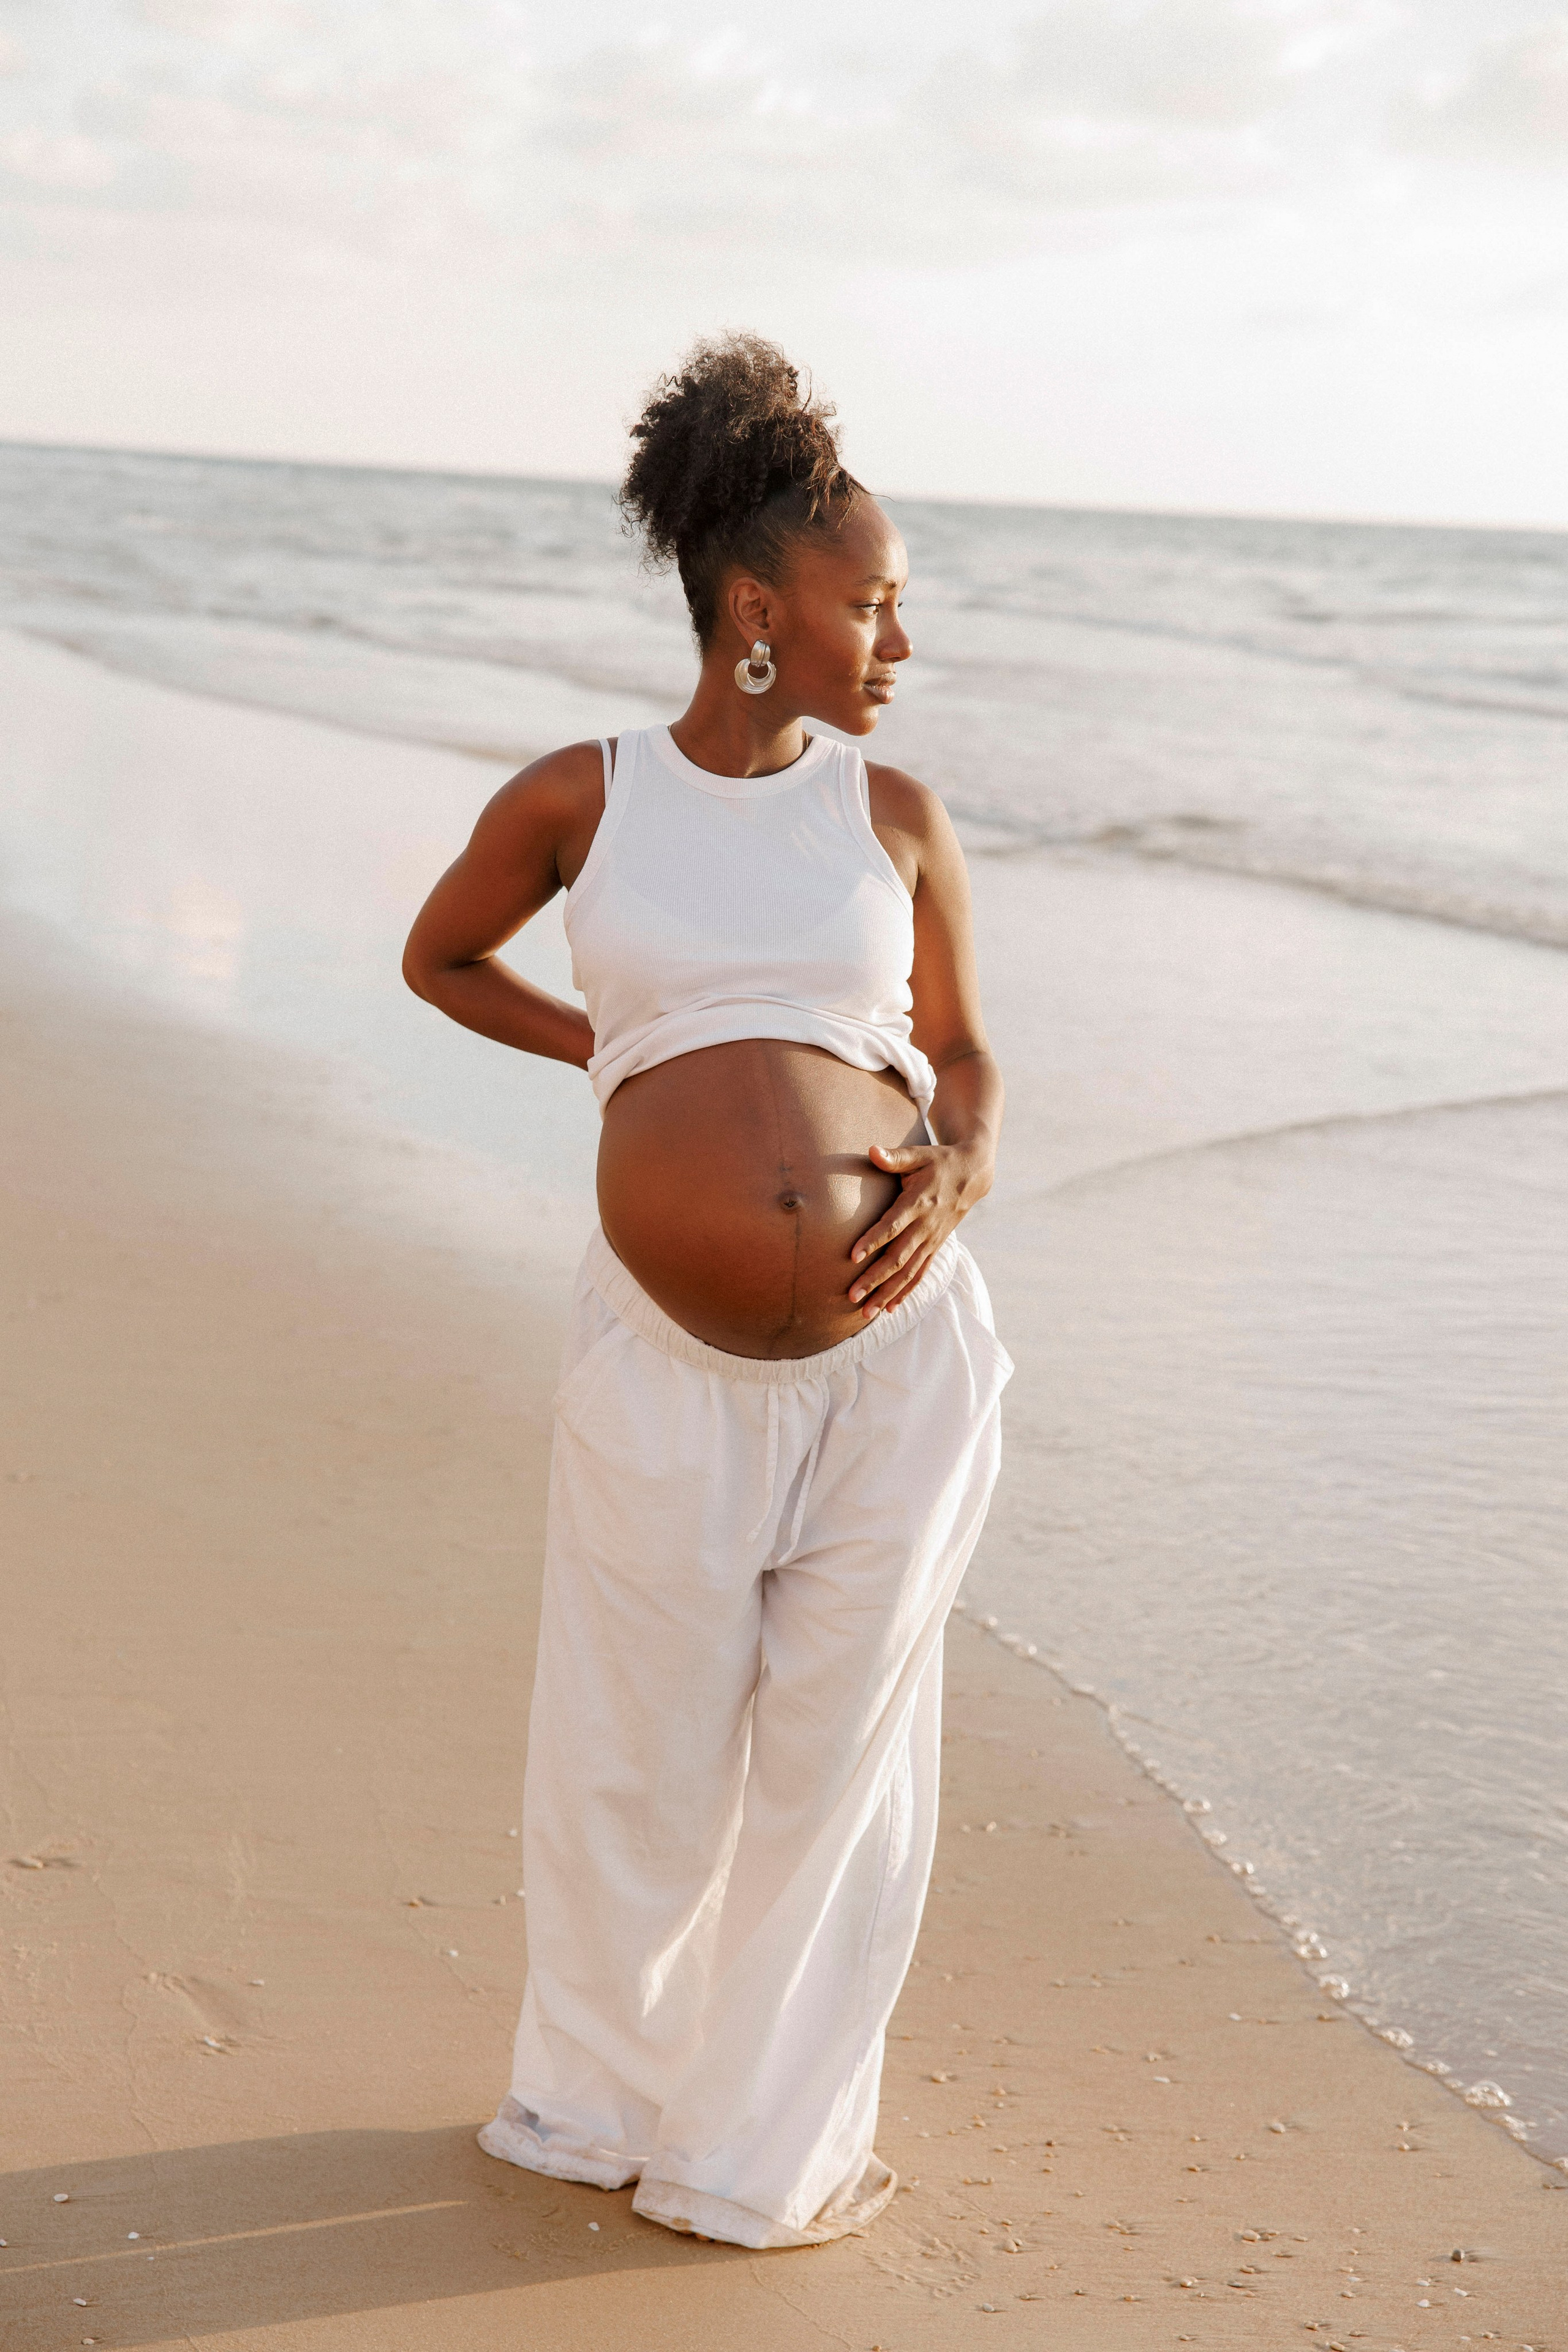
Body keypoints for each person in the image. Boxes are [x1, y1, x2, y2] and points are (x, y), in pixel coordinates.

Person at [402, 333, 1011, 2250]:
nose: (899, 639)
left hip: (897, 1364)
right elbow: (441, 957)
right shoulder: (582, 799)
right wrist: (614, 1054)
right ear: (758, 609)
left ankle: (756, 2158)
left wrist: (965, 1162)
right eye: (873, 601)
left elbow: (962, 1054)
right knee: (633, 1747)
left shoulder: (893, 815)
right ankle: (593, 2107)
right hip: (665, 1366)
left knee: (838, 1763)